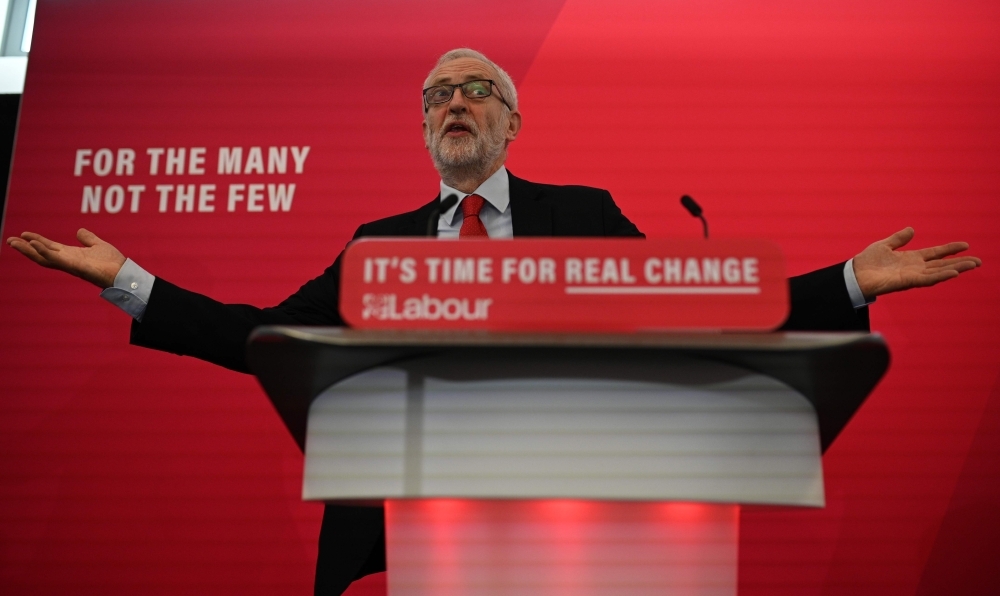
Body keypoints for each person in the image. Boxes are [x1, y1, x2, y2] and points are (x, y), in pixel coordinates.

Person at [6, 48, 982, 595]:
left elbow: (711, 307)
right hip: (414, 538)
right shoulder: (374, 245)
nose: (454, 103)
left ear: (512, 125)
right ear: (426, 129)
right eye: (437, 95)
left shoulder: (586, 215)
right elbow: (260, 335)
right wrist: (132, 278)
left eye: (477, 90)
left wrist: (849, 279)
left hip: (584, 536)